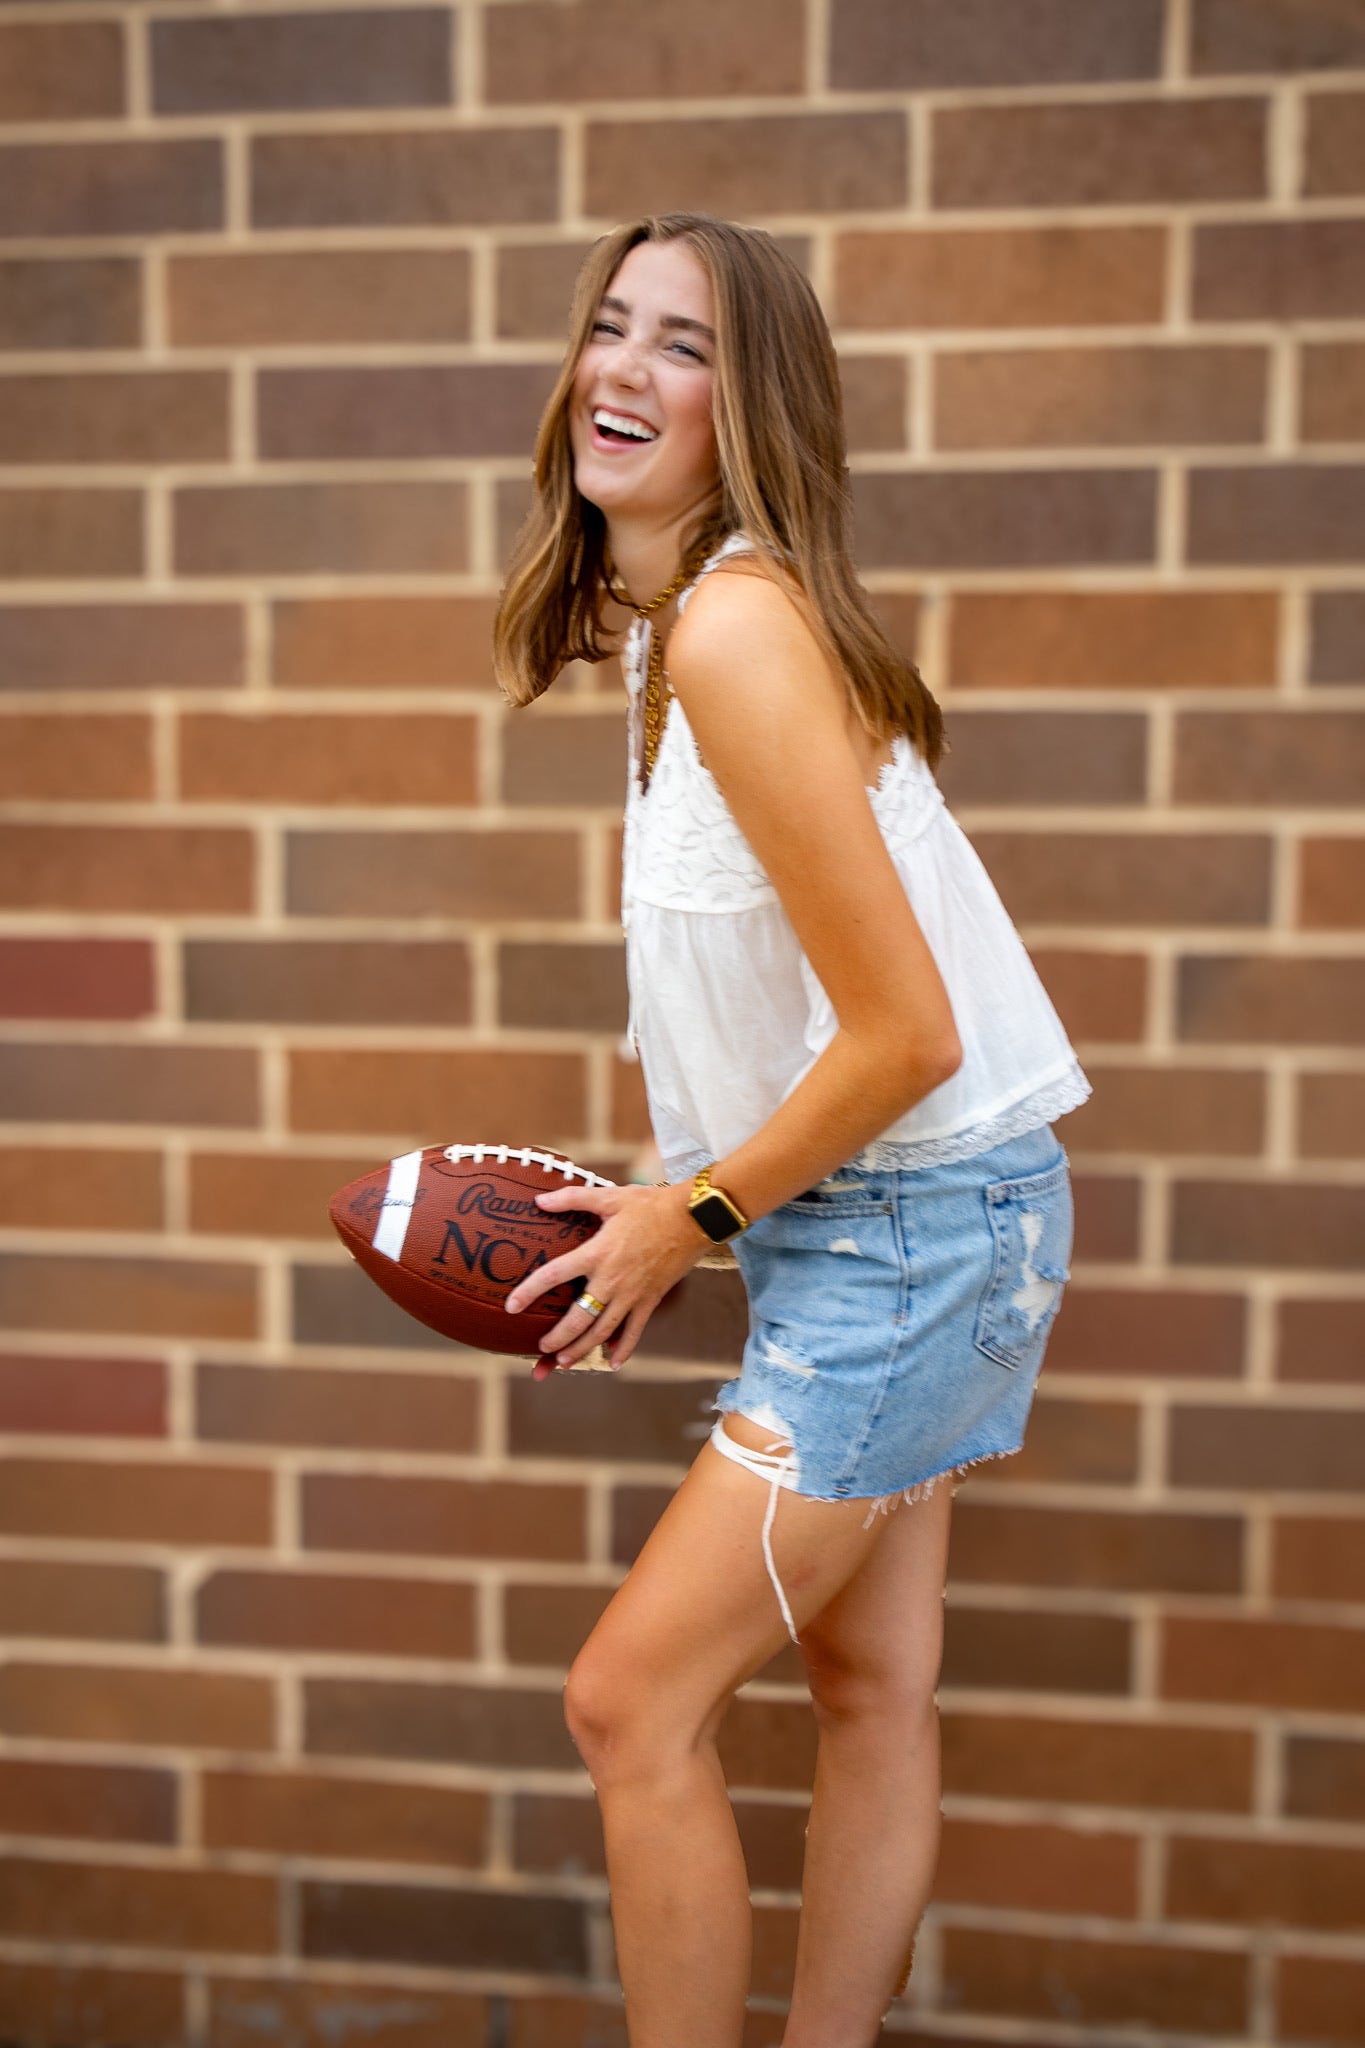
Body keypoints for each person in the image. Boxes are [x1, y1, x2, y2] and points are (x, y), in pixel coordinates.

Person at [492, 213, 1090, 2048]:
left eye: (683, 346)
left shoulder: (740, 633)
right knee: (869, 1683)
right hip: (885, 1212)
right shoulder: (683, 631)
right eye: (611, 328)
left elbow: (905, 1034)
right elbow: (818, 1018)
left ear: (748, 410)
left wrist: (698, 1212)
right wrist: (683, 1194)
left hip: (910, 1230)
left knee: (626, 1705)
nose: (624, 371)